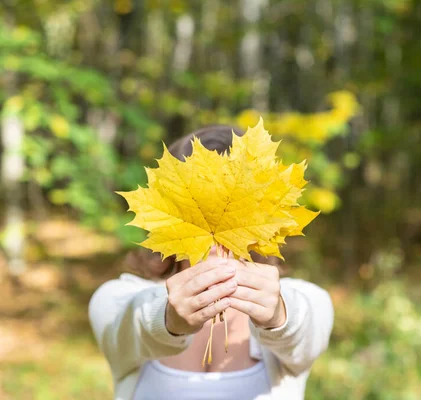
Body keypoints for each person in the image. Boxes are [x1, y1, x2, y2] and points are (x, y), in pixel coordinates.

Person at [88, 125, 334, 400]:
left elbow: (305, 328)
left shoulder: (305, 299)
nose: (217, 242)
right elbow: (130, 323)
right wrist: (168, 319)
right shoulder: (116, 298)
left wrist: (278, 316)